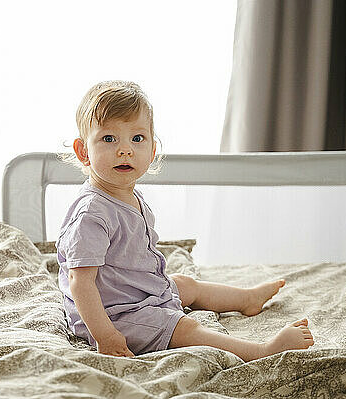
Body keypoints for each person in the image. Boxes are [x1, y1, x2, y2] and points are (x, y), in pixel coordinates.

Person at [56, 80, 314, 361]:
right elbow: (80, 283)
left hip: (137, 293)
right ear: (83, 152)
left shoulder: (127, 195)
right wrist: (105, 336)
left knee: (186, 284)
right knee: (183, 327)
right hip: (112, 314)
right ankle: (261, 351)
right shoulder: (92, 214)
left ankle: (246, 299)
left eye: (137, 139)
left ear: (152, 150)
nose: (125, 150)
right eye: (109, 139)